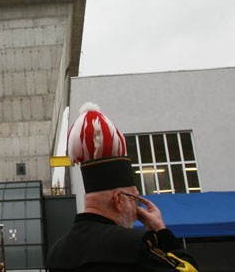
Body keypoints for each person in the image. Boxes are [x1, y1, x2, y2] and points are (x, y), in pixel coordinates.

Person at [46, 103, 198, 272]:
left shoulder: (57, 252)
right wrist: (161, 230)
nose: (136, 210)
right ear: (118, 200)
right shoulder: (134, 246)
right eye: (135, 199)